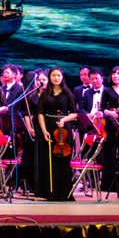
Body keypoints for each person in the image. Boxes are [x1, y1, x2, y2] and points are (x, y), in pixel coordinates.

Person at [37, 67, 78, 201]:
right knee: (49, 160)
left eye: (59, 75)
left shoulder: (67, 94)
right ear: (50, 77)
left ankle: (63, 193)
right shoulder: (45, 94)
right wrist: (44, 131)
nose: (56, 78)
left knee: (63, 160)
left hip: (63, 129)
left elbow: (74, 113)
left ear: (62, 77)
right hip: (49, 127)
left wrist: (64, 120)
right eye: (53, 75)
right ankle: (50, 192)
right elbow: (40, 113)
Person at [100, 66, 119, 192]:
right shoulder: (107, 90)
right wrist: (109, 113)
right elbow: (102, 108)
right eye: (114, 74)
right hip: (112, 123)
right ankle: (112, 183)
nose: (116, 76)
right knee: (111, 151)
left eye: (118, 74)